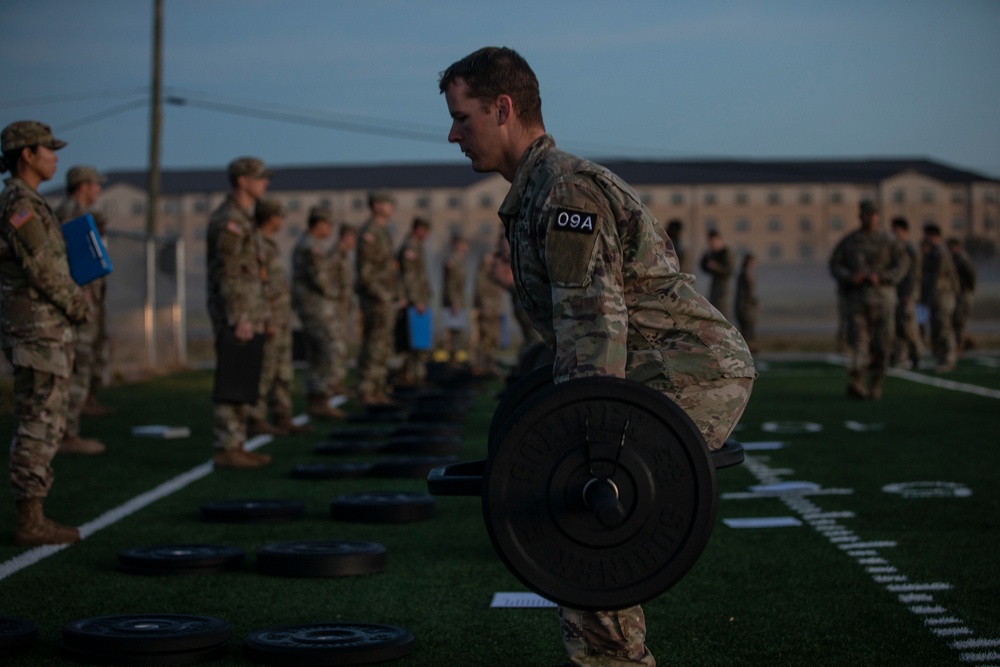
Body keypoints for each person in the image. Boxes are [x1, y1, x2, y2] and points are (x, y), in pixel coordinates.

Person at [440, 46, 756, 667]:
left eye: (462, 117)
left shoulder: (566, 195)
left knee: (587, 513)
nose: (452, 134)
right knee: (575, 499)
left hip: (687, 371)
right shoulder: (535, 191)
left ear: (503, 109)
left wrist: (584, 449)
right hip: (645, 369)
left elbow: (594, 335)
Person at [1, 120, 89, 545]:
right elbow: (42, 268)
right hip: (36, 330)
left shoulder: (33, 201)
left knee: (46, 418)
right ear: (26, 156)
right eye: (47, 149)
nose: (55, 156)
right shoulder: (19, 203)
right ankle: (30, 519)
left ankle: (34, 514)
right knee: (38, 419)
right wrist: (77, 303)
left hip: (46, 329)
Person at [206, 156, 273, 469]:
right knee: (233, 376)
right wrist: (239, 316)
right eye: (259, 178)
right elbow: (229, 273)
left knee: (244, 375)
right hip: (236, 313)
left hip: (248, 309)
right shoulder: (229, 220)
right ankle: (226, 447)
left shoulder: (244, 218)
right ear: (242, 181)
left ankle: (237, 443)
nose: (265, 183)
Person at [53, 165, 108, 454]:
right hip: (77, 303)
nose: (98, 189)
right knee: (75, 367)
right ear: (82, 186)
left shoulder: (83, 214)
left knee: (82, 365)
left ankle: (69, 428)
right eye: (95, 184)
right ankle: (66, 434)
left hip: (86, 301)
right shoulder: (70, 214)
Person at [829, 200, 908, 399]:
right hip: (858, 301)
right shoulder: (850, 241)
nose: (871, 218)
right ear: (861, 216)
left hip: (883, 301)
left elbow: (902, 265)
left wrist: (882, 277)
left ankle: (876, 384)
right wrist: (850, 277)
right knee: (859, 344)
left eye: (874, 214)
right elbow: (835, 265)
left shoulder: (889, 241)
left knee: (883, 345)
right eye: (867, 214)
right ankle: (857, 383)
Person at [248, 199, 310, 437]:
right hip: (270, 318)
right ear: (270, 217)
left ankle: (282, 415)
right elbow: (258, 286)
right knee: (265, 370)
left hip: (282, 318)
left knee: (283, 371)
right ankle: (255, 417)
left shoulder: (271, 245)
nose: (283, 221)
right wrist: (266, 317)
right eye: (279, 216)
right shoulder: (256, 244)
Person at [291, 206, 345, 420]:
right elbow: (321, 281)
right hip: (316, 308)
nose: (330, 229)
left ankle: (316, 399)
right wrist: (337, 294)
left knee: (316, 354)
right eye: (329, 224)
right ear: (319, 223)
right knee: (329, 350)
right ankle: (320, 398)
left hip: (310, 308)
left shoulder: (307, 245)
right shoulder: (310, 247)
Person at [355, 190, 401, 405]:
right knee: (374, 343)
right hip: (376, 299)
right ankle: (367, 389)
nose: (390, 207)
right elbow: (366, 273)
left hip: (386, 297)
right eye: (386, 203)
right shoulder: (370, 233)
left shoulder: (383, 232)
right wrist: (383, 296)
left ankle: (377, 388)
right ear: (376, 206)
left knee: (382, 345)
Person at [396, 216, 433, 388]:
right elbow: (409, 277)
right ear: (417, 229)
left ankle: (415, 376)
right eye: (424, 230)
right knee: (412, 341)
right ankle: (409, 376)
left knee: (419, 341)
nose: (426, 234)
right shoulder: (410, 246)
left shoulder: (418, 246)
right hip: (413, 301)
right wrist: (416, 300)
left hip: (419, 299)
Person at [920, 224, 959, 373]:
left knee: (944, 328)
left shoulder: (940, 253)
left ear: (932, 235)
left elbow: (939, 279)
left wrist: (931, 297)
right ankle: (942, 358)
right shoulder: (934, 252)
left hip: (942, 297)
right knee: (938, 328)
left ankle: (948, 359)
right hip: (938, 297)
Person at [472, 231, 509, 378]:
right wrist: (481, 304)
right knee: (485, 337)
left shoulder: (501, 259)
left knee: (493, 337)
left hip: (495, 305)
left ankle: (489, 364)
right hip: (487, 305)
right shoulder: (488, 259)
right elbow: (480, 282)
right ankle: (481, 366)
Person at [328, 223, 358, 395]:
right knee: (335, 346)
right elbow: (329, 281)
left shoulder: (344, 256)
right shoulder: (335, 256)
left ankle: (337, 382)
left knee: (341, 346)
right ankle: (332, 383)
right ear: (345, 237)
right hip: (335, 307)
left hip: (343, 307)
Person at [889, 217, 923, 370]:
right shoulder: (896, 248)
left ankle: (917, 355)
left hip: (908, 294)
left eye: (896, 231)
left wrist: (910, 294)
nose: (894, 234)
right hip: (899, 293)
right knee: (899, 327)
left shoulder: (910, 249)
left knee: (908, 327)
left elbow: (915, 274)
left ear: (904, 231)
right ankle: (900, 357)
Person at [441, 234, 469, 366]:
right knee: (453, 333)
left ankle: (455, 362)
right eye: (463, 244)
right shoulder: (452, 261)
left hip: (459, 302)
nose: (466, 247)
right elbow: (451, 284)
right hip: (454, 303)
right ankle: (451, 363)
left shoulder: (460, 260)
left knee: (458, 332)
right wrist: (454, 302)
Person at [947, 237, 976, 353]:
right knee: (955, 321)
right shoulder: (953, 259)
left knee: (960, 321)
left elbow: (971, 275)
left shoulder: (963, 259)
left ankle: (961, 346)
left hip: (964, 294)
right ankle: (967, 343)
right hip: (957, 294)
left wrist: (970, 289)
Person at [699, 229, 733, 316]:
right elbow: (705, 269)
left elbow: (728, 271)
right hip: (714, 288)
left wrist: (716, 267)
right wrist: (704, 260)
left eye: (713, 242)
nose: (711, 245)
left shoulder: (726, 253)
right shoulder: (712, 253)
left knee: (722, 313)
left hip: (723, 289)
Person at [734, 253, 759, 353]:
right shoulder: (746, 275)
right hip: (746, 308)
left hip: (743, 307)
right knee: (748, 330)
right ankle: (749, 350)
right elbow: (749, 293)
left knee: (746, 330)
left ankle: (747, 349)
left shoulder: (744, 274)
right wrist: (755, 303)